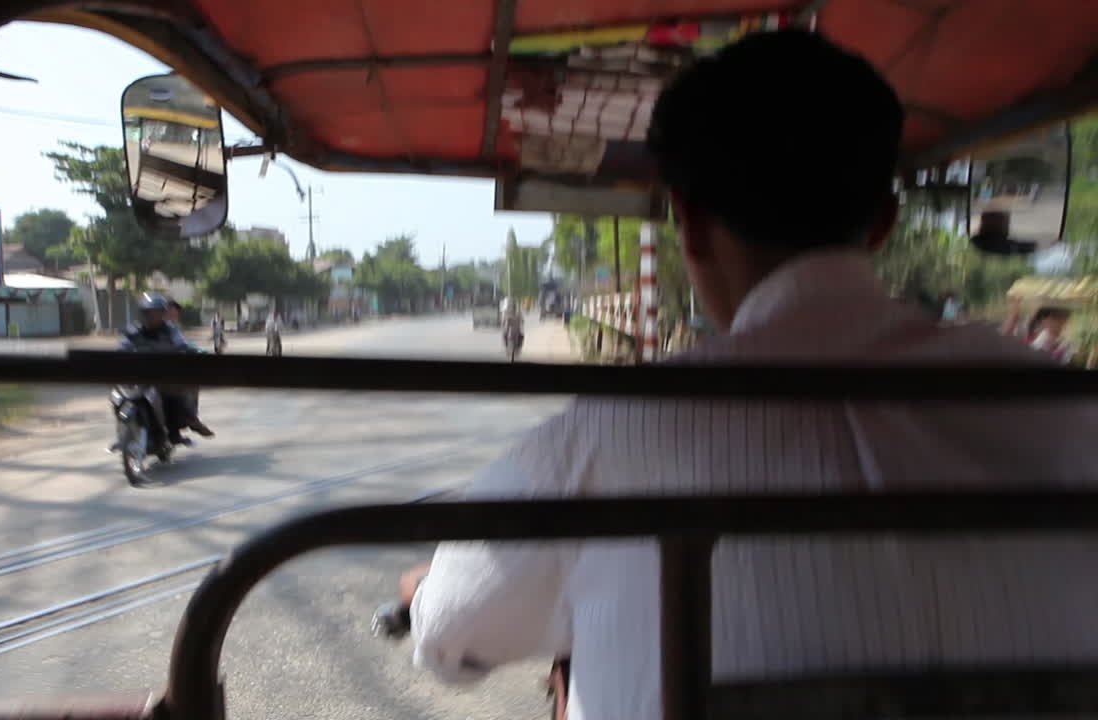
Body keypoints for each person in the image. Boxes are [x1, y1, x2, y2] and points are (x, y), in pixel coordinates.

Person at [401, 29, 1098, 720]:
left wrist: (419, 591)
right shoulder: (1059, 403)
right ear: (883, 224)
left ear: (689, 223)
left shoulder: (610, 432)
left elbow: (449, 633)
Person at [119, 292, 214, 442]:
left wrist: (190, 353)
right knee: (117, 395)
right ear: (143, 313)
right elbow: (121, 349)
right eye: (150, 313)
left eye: (157, 313)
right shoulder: (132, 332)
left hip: (162, 375)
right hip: (138, 375)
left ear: (163, 314)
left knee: (174, 392)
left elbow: (183, 345)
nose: (153, 317)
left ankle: (176, 430)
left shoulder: (170, 330)